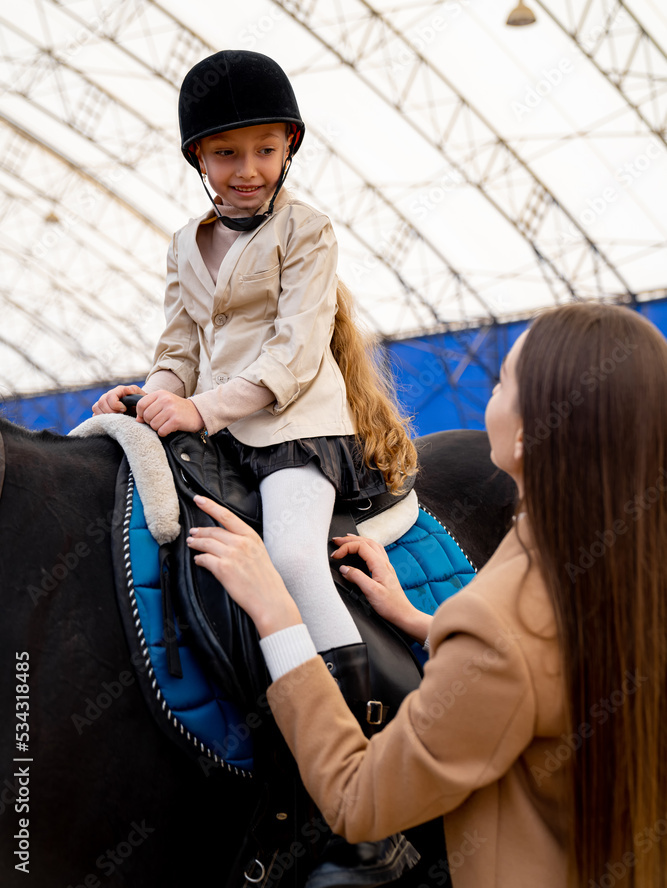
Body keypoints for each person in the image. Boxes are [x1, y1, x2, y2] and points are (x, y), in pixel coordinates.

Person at [186, 301, 667, 888]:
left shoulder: (501, 625)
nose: (491, 393)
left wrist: (278, 610)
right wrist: (422, 622)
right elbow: (554, 658)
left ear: (531, 434)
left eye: (501, 383)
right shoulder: (621, 563)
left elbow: (358, 800)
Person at [92, 50, 420, 885]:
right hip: (217, 431)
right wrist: (150, 395)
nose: (248, 171)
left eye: (266, 151)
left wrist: (203, 407)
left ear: (288, 150)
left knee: (292, 558)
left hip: (295, 428)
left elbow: (295, 351)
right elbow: (177, 349)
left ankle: (373, 775)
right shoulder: (183, 244)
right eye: (227, 154)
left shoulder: (307, 231)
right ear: (198, 160)